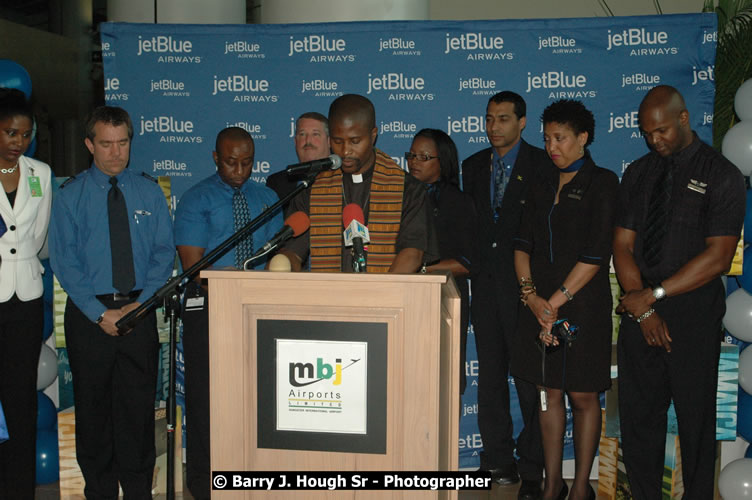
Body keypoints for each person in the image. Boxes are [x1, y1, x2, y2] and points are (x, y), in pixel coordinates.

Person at [614, 85, 745, 499]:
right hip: (640, 310)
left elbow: (719, 257)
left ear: (684, 118)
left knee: (696, 422)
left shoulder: (721, 174)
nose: (655, 140)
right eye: (647, 133)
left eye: (662, 130)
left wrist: (654, 296)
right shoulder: (638, 172)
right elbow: (622, 244)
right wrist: (643, 306)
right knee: (637, 418)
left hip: (691, 313)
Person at [49, 106, 175, 498]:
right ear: (90, 145)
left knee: (137, 411)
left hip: (139, 312)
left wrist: (139, 309)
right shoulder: (71, 195)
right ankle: (99, 491)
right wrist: (100, 312)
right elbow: (64, 261)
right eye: (106, 144)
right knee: (94, 411)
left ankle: (138, 491)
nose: (116, 153)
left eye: (123, 143)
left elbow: (163, 253)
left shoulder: (149, 191)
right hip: (91, 317)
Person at [513, 100, 618, 500]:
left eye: (560, 138)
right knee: (548, 392)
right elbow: (521, 245)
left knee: (582, 394)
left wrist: (553, 303)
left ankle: (579, 489)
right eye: (547, 139)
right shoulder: (539, 183)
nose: (551, 146)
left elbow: (595, 255)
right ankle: (552, 484)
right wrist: (531, 296)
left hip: (580, 306)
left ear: (583, 138)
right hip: (537, 307)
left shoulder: (603, 182)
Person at [173, 126, 282, 500]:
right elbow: (193, 264)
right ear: (216, 157)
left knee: (257, 399)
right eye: (231, 162)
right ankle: (204, 482)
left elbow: (278, 258)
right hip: (209, 310)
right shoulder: (195, 198)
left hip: (257, 310)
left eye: (247, 162)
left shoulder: (267, 197)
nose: (239, 170)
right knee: (206, 398)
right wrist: (231, 285)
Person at [461, 90, 546, 498]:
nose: (494, 126)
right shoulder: (473, 165)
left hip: (529, 292)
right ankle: (497, 460)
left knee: (529, 381)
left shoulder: (542, 163)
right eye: (489, 118)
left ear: (523, 122)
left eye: (504, 119)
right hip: (487, 288)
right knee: (491, 379)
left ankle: (533, 466)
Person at [280, 94, 437, 273]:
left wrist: (379, 296)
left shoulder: (407, 188)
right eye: (338, 141)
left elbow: (412, 253)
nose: (345, 151)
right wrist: (282, 264)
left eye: (355, 141)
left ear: (373, 135)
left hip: (385, 297)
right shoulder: (313, 188)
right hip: (328, 296)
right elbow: (293, 251)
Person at [0, 88, 52, 498]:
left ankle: (19, 489)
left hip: (26, 299)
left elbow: (38, 234)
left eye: (24, 134)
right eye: (9, 133)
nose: (17, 142)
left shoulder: (41, 174)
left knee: (21, 398)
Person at [406, 128, 475, 393]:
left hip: (446, 301)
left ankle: (448, 435)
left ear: (442, 161)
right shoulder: (400, 198)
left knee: (446, 381)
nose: (414, 161)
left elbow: (467, 262)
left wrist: (421, 270)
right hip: (407, 300)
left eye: (423, 156)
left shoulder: (458, 202)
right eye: (411, 155)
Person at [266, 111, 330, 212]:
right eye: (302, 134)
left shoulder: (343, 179)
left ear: (329, 141)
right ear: (295, 142)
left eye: (315, 134)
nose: (308, 141)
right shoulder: (277, 183)